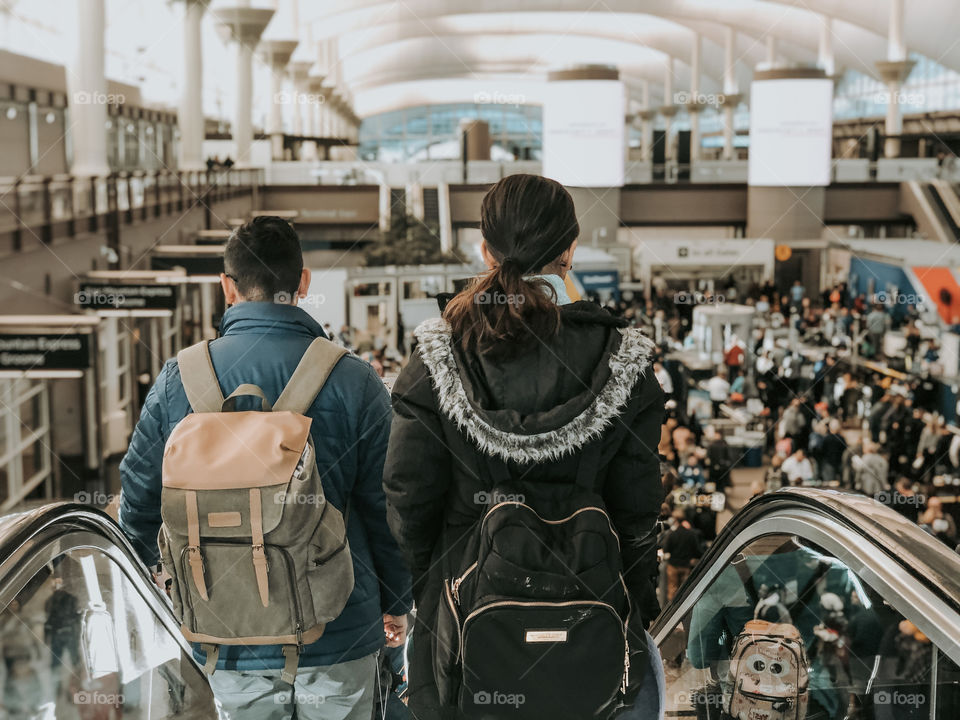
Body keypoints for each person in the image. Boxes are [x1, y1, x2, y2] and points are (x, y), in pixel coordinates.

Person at [382, 175, 665, 718]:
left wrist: (432, 585)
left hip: (464, 613)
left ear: (484, 250)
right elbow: (638, 509)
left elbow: (406, 494)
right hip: (591, 606)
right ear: (570, 250)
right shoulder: (623, 360)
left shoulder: (438, 356)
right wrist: (637, 602)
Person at [118, 216, 413, 719]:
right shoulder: (354, 380)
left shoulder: (179, 380)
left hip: (226, 632)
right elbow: (387, 507)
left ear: (226, 286)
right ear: (302, 282)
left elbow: (140, 500)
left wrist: (152, 584)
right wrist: (396, 601)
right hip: (339, 627)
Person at [662, 508, 702, 602]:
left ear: (675, 520)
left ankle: (672, 612)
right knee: (684, 591)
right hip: (686, 566)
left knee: (673, 590)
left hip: (673, 565)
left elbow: (666, 549)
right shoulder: (691, 534)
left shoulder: (672, 534)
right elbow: (697, 551)